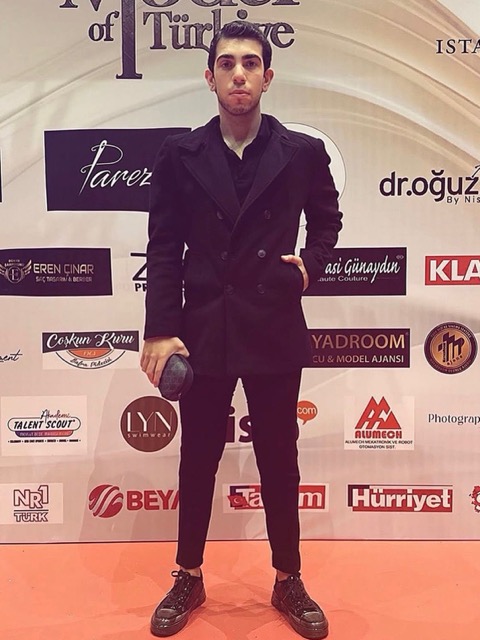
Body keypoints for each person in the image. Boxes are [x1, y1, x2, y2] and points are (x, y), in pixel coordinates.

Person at [140, 20, 342, 639]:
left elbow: (327, 222)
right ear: (210, 78)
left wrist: (310, 266)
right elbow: (163, 246)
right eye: (226, 63)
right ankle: (188, 574)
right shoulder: (179, 156)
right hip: (202, 327)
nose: (238, 74)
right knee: (197, 456)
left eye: (250, 63)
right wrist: (159, 329)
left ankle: (288, 578)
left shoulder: (303, 152)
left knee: (280, 457)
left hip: (273, 322)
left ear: (267, 77)